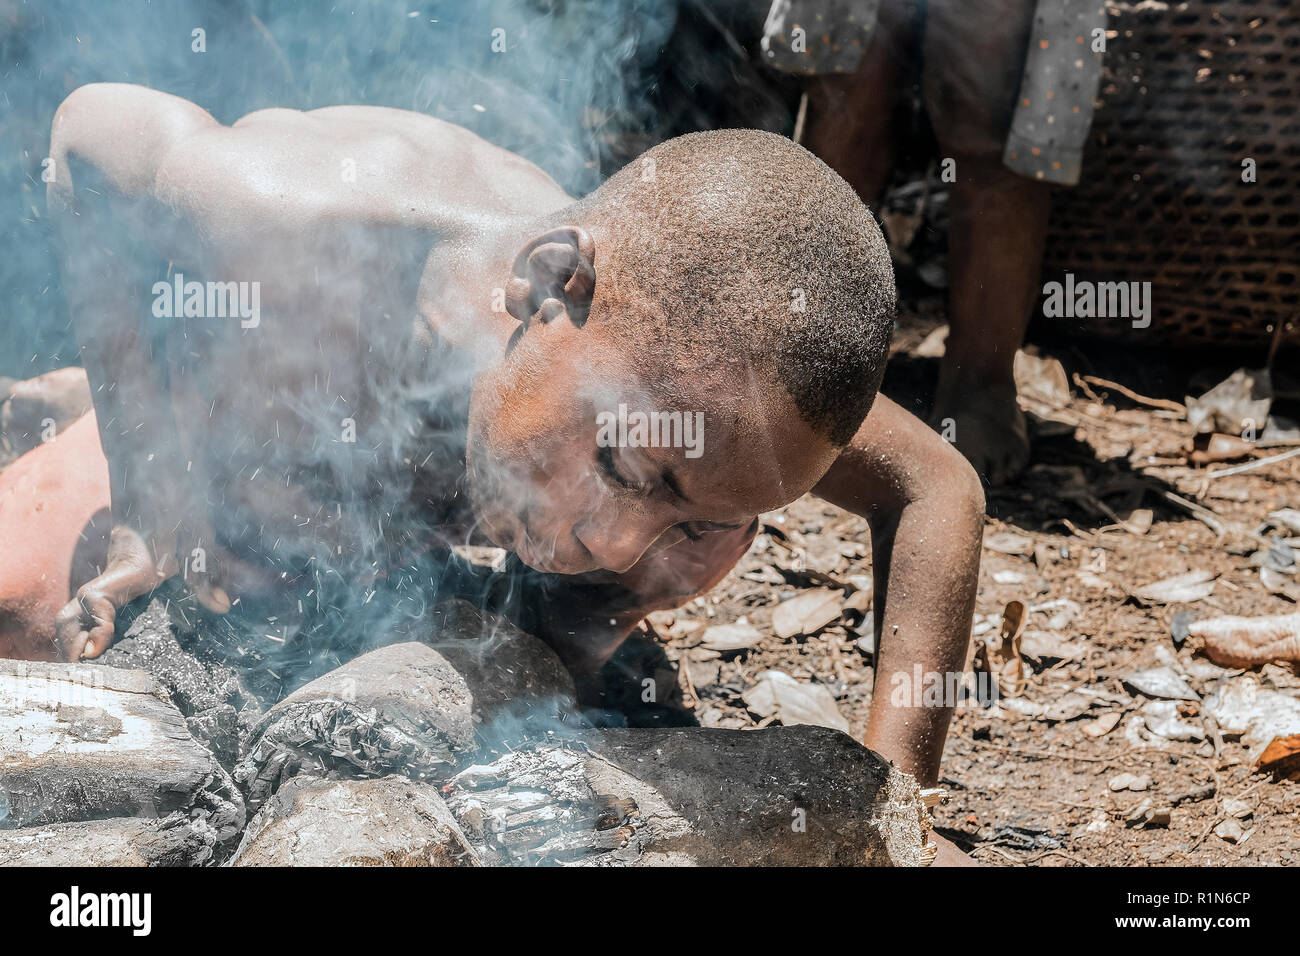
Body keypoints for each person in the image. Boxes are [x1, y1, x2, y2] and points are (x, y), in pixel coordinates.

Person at [2, 83, 982, 858]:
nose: (613, 539)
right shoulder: (298, 230)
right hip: (245, 436)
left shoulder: (722, 395)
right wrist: (151, 495)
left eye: (680, 513)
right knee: (23, 607)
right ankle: (74, 406)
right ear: (553, 283)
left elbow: (935, 485)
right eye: (623, 464)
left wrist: (898, 801)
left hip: (433, 522)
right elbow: (88, 137)